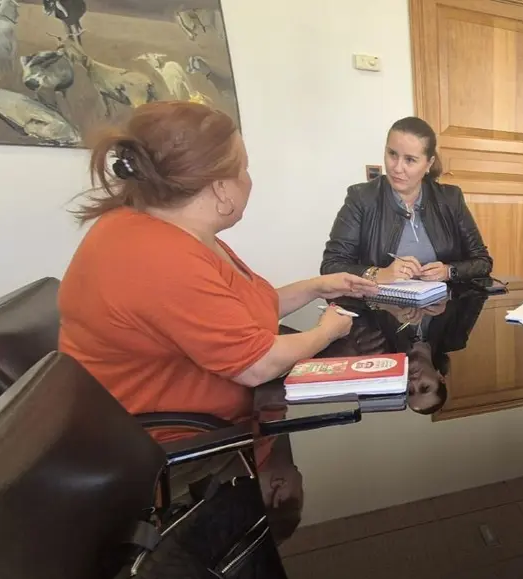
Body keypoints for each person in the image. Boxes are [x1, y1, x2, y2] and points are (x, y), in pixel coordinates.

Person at [59, 101, 377, 447]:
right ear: (219, 186)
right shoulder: (162, 258)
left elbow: (237, 311)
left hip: (228, 413)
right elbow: (259, 364)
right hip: (176, 442)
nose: (249, 181)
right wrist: (326, 331)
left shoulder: (166, 231)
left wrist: (316, 287)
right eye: (244, 169)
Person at [321, 116, 493, 284]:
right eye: (392, 154)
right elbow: (331, 266)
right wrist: (378, 274)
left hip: (442, 306)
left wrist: (448, 271)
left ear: (428, 164)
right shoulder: (361, 198)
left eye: (410, 160)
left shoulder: (450, 198)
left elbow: (482, 262)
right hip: (378, 308)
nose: (397, 168)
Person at [331, 293, 487, 415]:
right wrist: (447, 295)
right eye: (424, 387)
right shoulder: (455, 337)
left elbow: (340, 298)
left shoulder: (379, 347)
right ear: (440, 378)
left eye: (410, 391)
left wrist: (383, 304)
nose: (413, 382)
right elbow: (479, 290)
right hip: (435, 263)